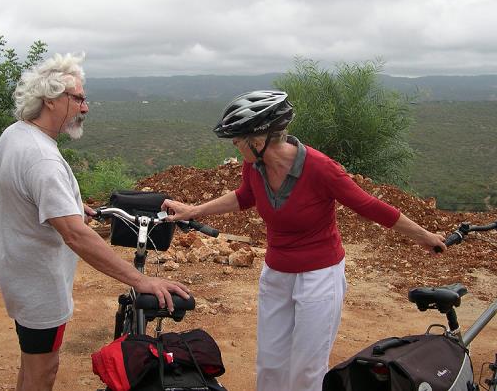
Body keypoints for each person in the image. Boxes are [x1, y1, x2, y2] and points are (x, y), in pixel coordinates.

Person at [162, 90, 446, 391]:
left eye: (238, 138)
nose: (234, 144)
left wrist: (425, 236)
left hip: (319, 277)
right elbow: (246, 196)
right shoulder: (255, 165)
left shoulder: (321, 168)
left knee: (306, 369)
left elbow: (371, 206)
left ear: (259, 141)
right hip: (276, 274)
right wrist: (193, 210)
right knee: (270, 363)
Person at [0, 53, 189, 391]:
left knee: (31, 360)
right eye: (78, 98)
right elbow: (77, 237)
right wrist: (141, 281)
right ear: (51, 100)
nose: (85, 107)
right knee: (44, 370)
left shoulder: (16, 134)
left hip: (15, 269)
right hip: (38, 283)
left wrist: (67, 202)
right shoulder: (42, 159)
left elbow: (24, 190)